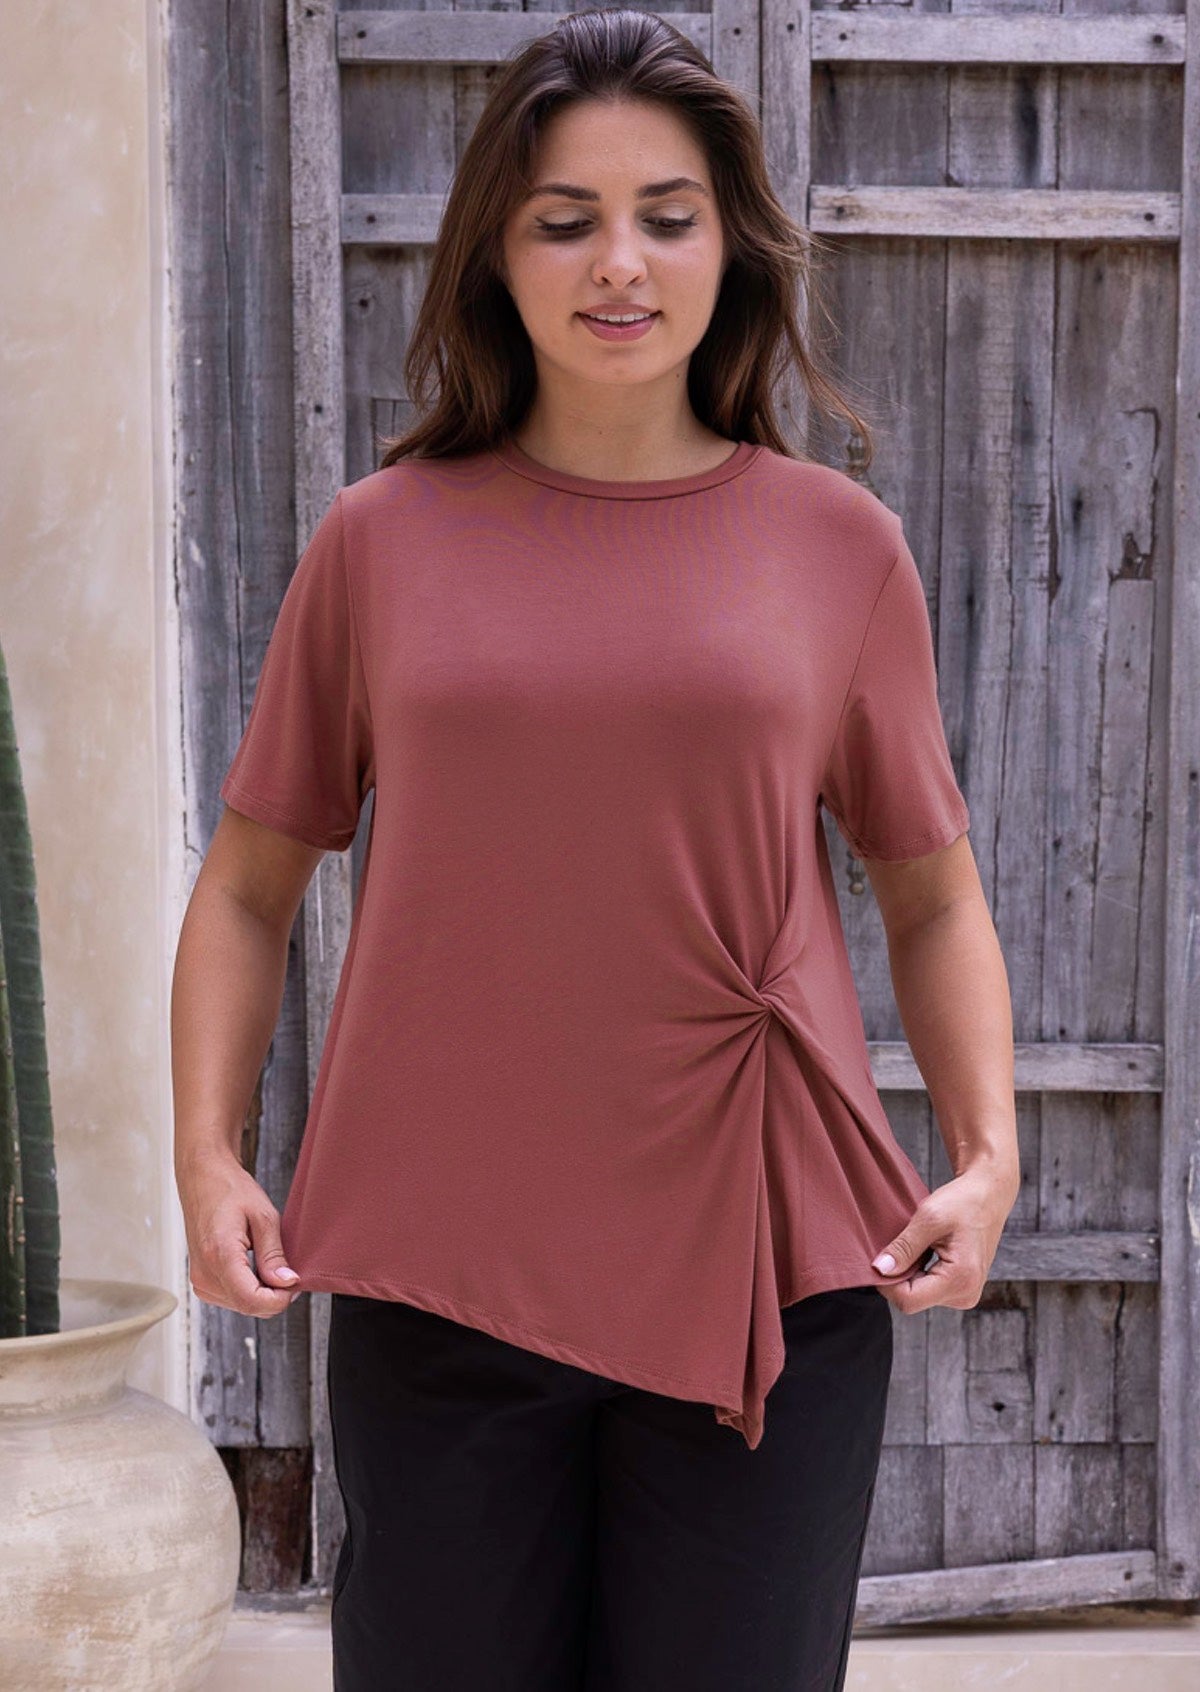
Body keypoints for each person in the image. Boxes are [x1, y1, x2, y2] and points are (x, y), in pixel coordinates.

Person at [171, 9, 1020, 1689]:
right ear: (498, 248)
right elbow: (252, 880)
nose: (616, 263)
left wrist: (986, 1155)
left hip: (767, 1275)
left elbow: (930, 891)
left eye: (666, 213)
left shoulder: (837, 548)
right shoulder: (383, 541)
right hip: (439, 1266)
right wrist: (205, 1157)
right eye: (565, 218)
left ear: (732, 245)